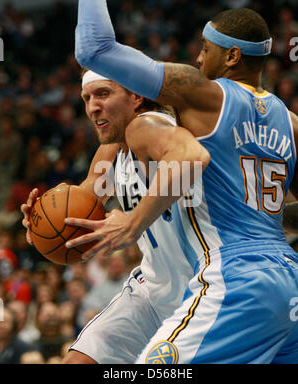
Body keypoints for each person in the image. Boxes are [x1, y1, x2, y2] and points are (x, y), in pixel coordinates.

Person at [73, 2, 298, 363]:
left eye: (205, 50)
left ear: (232, 56)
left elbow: (94, 49)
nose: (197, 60)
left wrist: (133, 222)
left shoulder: (204, 95)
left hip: (234, 277)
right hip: (289, 280)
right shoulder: (289, 122)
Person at [21, 70, 210, 363]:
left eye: (103, 94)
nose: (92, 106)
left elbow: (191, 157)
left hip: (204, 290)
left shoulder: (149, 126)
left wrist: (134, 221)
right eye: (87, 98)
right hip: (152, 292)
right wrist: (42, 221)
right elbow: (82, 206)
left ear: (137, 96)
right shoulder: (111, 151)